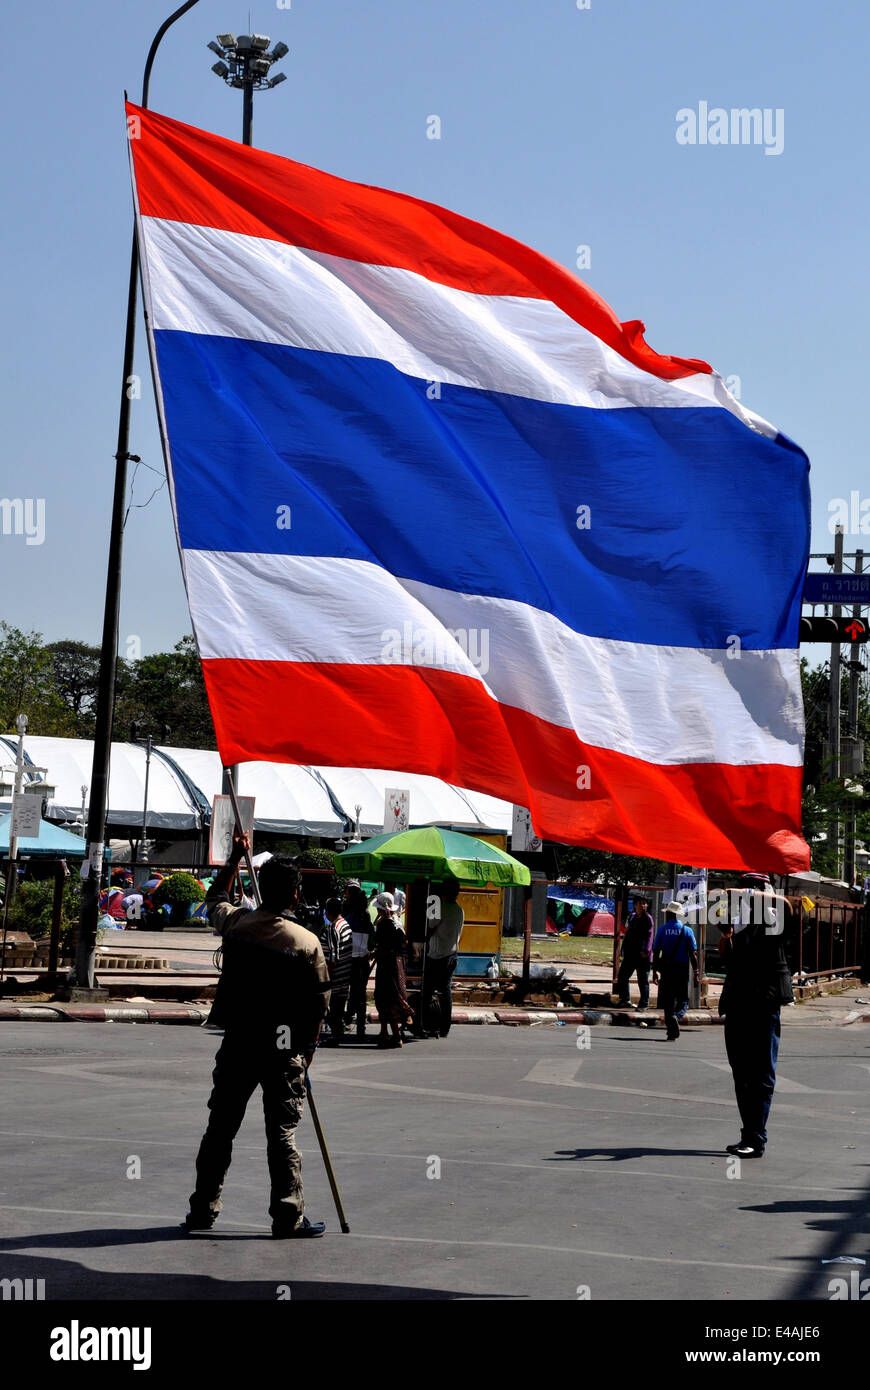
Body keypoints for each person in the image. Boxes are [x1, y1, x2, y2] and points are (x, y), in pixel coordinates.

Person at [183, 832, 331, 1237]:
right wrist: (307, 1053)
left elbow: (213, 898)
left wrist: (234, 858)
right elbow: (318, 1009)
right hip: (283, 1047)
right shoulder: (306, 943)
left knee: (220, 1127)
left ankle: (202, 1210)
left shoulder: (237, 925)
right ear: (296, 894)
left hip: (239, 1041)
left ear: (261, 888)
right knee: (281, 1133)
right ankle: (288, 1215)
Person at [718, 871, 794, 1159]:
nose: (745, 894)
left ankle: (756, 1138)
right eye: (744, 888)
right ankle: (748, 1133)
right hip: (737, 1002)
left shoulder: (776, 918)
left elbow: (785, 905)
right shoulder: (735, 920)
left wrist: (756, 894)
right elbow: (725, 951)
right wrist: (726, 934)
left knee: (761, 1072)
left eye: (752, 889)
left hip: (764, 1002)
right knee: (741, 1072)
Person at [422, 880, 465, 1037]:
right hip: (452, 955)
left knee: (427, 992)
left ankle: (426, 1024)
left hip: (437, 956)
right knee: (445, 992)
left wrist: (430, 906)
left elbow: (430, 924)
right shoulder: (460, 910)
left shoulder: (441, 908)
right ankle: (444, 1027)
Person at [372, 892, 414, 1047]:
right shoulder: (397, 923)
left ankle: (396, 1037)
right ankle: (384, 1032)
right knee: (387, 998)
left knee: (386, 999)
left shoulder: (384, 924)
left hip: (387, 968)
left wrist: (374, 954)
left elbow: (383, 947)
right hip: (398, 967)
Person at [653, 901, 699, 1040]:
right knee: (683, 999)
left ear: (668, 913)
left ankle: (671, 1028)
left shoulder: (661, 930)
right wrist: (696, 973)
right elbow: (693, 954)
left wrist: (655, 971)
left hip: (666, 969)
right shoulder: (687, 931)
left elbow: (656, 952)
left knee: (667, 1000)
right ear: (678, 915)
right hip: (681, 969)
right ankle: (677, 1016)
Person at [343, 881, 374, 1038]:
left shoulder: (347, 919)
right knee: (360, 993)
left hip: (350, 960)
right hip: (363, 961)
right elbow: (372, 942)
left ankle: (347, 1018)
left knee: (348, 991)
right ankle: (360, 1026)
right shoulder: (367, 921)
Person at [321, 897, 353, 1045]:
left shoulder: (333, 928)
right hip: (345, 973)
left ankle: (335, 1035)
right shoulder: (345, 924)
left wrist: (327, 976)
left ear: (328, 912)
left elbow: (333, 956)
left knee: (333, 1006)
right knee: (338, 1005)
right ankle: (337, 1032)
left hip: (336, 975)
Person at [615, 894, 655, 1009]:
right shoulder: (632, 917)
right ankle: (625, 999)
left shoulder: (648, 918)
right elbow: (628, 934)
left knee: (642, 980)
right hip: (630, 953)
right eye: (641, 903)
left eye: (645, 903)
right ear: (635, 905)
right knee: (623, 976)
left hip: (642, 955)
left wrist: (646, 950)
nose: (643, 905)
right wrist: (623, 949)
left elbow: (649, 935)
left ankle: (644, 1003)